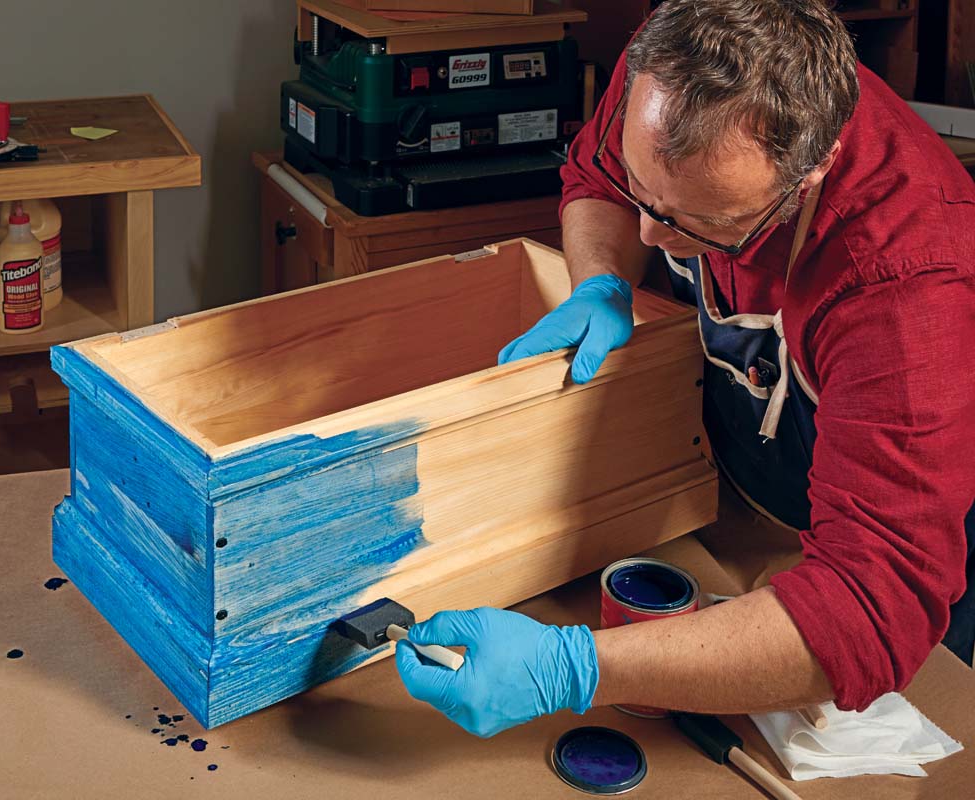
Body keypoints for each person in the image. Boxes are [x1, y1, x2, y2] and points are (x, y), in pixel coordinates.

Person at [395, 0, 975, 738]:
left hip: (893, 537)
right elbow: (601, 178)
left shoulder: (907, 283)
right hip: (724, 494)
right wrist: (598, 280)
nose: (649, 234)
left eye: (695, 225)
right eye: (647, 196)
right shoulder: (677, 66)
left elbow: (869, 607)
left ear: (813, 169)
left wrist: (575, 669)